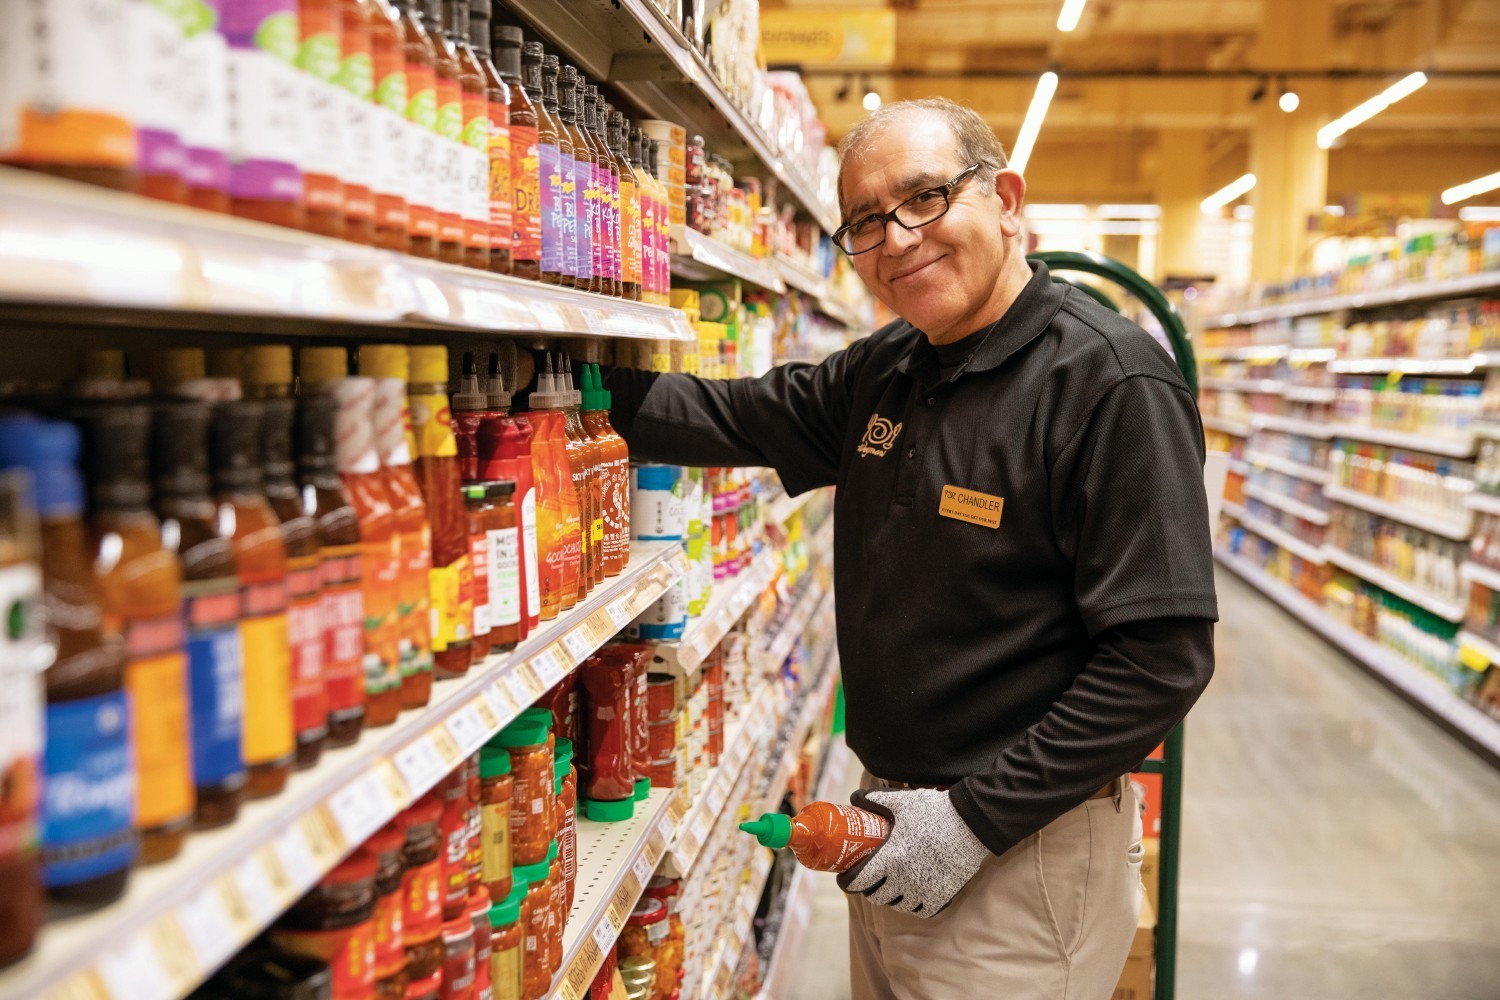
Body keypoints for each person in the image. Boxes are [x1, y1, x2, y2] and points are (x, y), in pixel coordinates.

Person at [604, 97, 1216, 999]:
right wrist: (549, 365)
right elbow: (735, 415)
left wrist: (969, 822)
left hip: (1019, 849)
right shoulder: (892, 365)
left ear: (1006, 200)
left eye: (925, 198)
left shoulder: (1110, 383)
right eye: (864, 223)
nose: (896, 239)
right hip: (888, 821)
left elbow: (1161, 661)